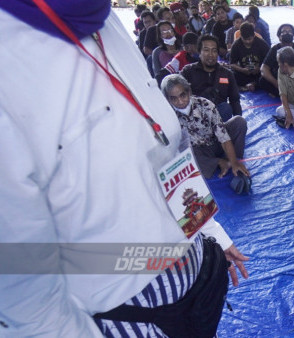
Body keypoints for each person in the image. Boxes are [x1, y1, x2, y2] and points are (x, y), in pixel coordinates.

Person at [0, 2, 248, 337]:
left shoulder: (103, 20)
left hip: (196, 285)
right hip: (121, 320)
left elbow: (166, 149)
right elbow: (22, 289)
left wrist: (212, 232)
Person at [161, 74, 250, 179]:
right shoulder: (168, 117)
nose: (180, 101)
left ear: (189, 92)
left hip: (216, 142)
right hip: (200, 153)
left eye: (183, 95)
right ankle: (219, 162)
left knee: (239, 122)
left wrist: (234, 162)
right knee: (187, 154)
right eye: (174, 99)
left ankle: (231, 160)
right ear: (168, 100)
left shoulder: (204, 104)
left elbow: (223, 136)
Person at [181, 35, 242, 122]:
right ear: (199, 52)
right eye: (206, 50)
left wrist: (238, 118)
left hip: (220, 118)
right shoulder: (188, 71)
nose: (210, 54)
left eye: (214, 51)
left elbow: (235, 100)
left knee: (227, 110)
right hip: (196, 118)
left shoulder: (227, 74)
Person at [260, 24, 294, 98]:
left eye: (290, 32)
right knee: (262, 81)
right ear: (279, 36)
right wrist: (276, 83)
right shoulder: (275, 49)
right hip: (278, 79)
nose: (287, 33)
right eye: (284, 32)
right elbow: (264, 68)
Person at [230, 22, 270, 92]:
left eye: (249, 39)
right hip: (244, 73)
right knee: (230, 75)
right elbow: (232, 64)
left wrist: (259, 69)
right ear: (241, 36)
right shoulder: (236, 45)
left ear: (254, 35)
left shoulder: (262, 44)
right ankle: (251, 85)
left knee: (268, 77)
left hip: (259, 73)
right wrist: (242, 70)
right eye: (245, 39)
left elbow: (269, 62)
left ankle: (253, 84)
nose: (247, 41)